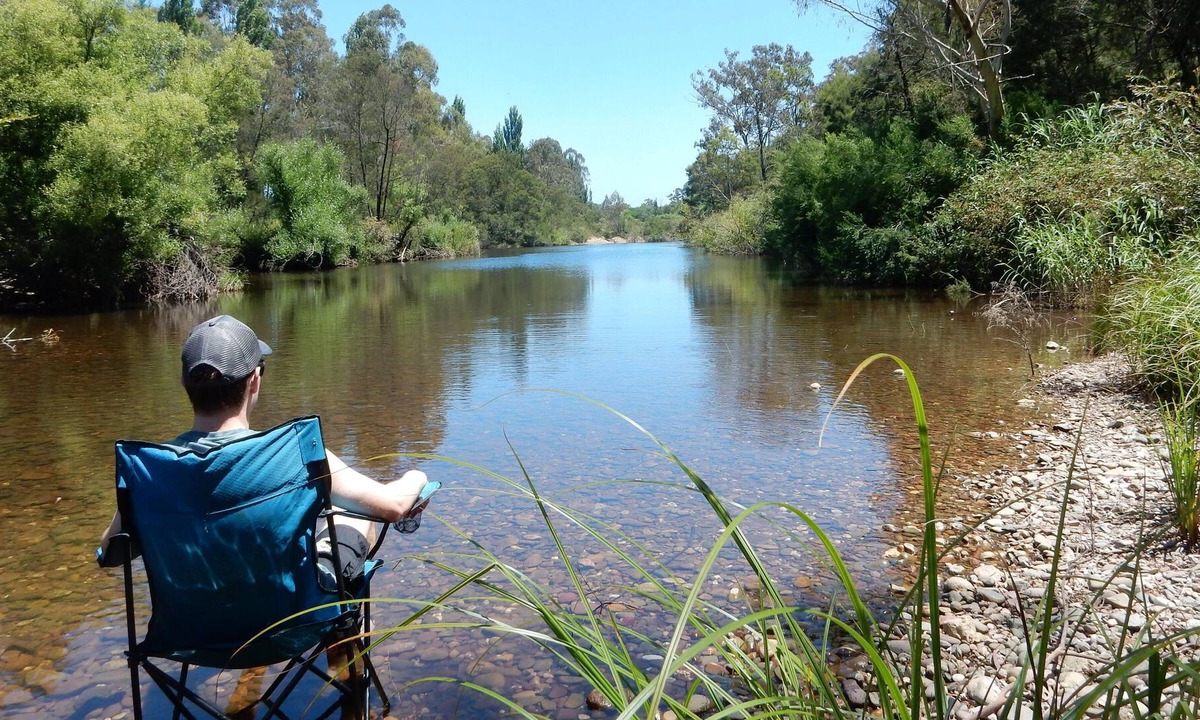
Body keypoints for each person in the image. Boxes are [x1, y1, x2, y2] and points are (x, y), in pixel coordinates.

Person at [99, 314, 430, 591]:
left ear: (184, 383)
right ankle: (345, 648)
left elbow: (111, 554)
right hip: (290, 627)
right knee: (350, 517)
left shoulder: (148, 471)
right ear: (255, 380)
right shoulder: (297, 453)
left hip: (189, 634)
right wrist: (417, 476)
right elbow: (394, 507)